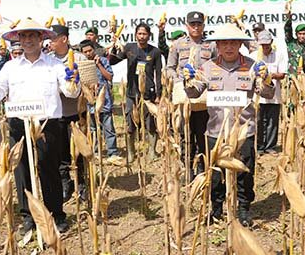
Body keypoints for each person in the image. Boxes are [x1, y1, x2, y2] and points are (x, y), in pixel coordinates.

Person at [0, 18, 80, 234]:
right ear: (19, 39)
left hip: (47, 124)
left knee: (49, 170)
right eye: (24, 36)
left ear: (41, 39)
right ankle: (28, 216)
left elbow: (71, 93)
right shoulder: (10, 67)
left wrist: (73, 80)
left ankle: (56, 215)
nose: (28, 40)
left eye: (32, 35)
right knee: (22, 171)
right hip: (18, 123)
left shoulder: (55, 65)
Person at [184, 23, 275, 227]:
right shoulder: (207, 67)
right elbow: (194, 93)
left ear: (240, 44)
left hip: (243, 131)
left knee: (244, 173)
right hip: (215, 131)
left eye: (233, 43)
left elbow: (268, 94)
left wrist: (266, 78)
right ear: (217, 45)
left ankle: (243, 209)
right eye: (224, 43)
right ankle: (216, 209)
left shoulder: (252, 66)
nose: (228, 47)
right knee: (215, 175)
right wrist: (187, 80)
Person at [166, 11, 216, 176]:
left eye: (199, 24)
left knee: (203, 135)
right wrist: (178, 81)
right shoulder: (177, 45)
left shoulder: (211, 45)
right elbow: (170, 68)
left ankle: (202, 169)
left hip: (203, 98)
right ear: (186, 25)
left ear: (203, 25)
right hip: (184, 97)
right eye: (192, 24)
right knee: (185, 135)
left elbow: (217, 66)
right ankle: (187, 170)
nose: (196, 27)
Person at [109, 23, 162, 160]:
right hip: (132, 92)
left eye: (144, 34)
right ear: (135, 35)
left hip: (148, 93)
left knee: (150, 123)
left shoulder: (155, 52)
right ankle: (131, 152)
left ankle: (152, 151)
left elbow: (158, 74)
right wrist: (114, 47)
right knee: (130, 124)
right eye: (139, 34)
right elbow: (113, 61)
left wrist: (158, 94)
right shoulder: (129, 48)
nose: (142, 36)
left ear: (149, 35)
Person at [48, 24, 86, 202]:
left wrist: (76, 85)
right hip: (58, 113)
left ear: (64, 39)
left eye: (53, 39)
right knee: (60, 150)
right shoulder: (48, 60)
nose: (50, 42)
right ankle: (65, 182)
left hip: (77, 112)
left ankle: (82, 183)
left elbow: (90, 84)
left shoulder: (79, 57)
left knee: (80, 149)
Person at [79, 40, 119, 161]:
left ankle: (112, 153)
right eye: (85, 52)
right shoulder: (81, 65)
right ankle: (95, 152)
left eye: (90, 50)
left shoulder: (103, 61)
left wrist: (99, 65)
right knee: (93, 130)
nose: (88, 53)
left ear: (94, 50)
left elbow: (109, 77)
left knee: (109, 128)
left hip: (104, 101)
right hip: (89, 103)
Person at [250, 30, 288, 154]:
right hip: (258, 96)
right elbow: (249, 74)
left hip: (274, 94)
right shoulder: (253, 56)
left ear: (271, 42)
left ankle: (270, 146)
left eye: (267, 44)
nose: (265, 46)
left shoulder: (279, 55)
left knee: (272, 121)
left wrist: (269, 75)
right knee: (259, 121)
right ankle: (260, 146)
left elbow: (282, 74)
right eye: (262, 44)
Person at [284, 1, 305, 76]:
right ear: (296, 34)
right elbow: (287, 28)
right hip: (292, 77)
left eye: (304, 34)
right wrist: (288, 17)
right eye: (300, 34)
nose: (302, 36)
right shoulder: (291, 43)